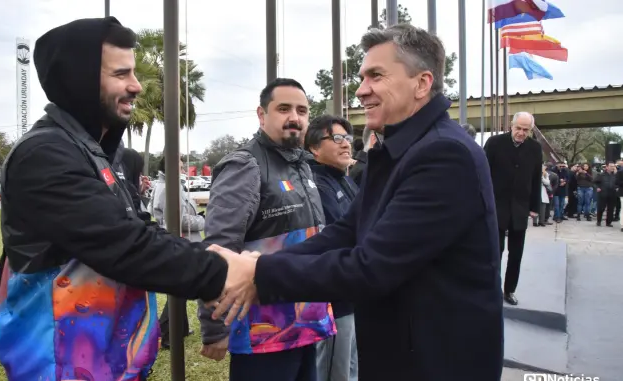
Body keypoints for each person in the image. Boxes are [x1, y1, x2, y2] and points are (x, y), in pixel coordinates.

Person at [210, 24, 503, 381]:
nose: (361, 90)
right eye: (363, 77)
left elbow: (371, 267)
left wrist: (260, 272)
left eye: (376, 76)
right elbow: (347, 231)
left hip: (436, 361)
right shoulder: (399, 149)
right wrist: (264, 266)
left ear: (422, 83)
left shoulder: (443, 154)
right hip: (402, 351)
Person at [0, 17, 232, 380]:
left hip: (108, 364)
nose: (136, 86)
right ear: (79, 79)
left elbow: (139, 228)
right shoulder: (44, 154)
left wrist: (206, 256)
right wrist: (225, 271)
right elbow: (126, 247)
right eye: (121, 74)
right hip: (61, 368)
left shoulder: (97, 153)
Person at [198, 78, 336, 381]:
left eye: (302, 110)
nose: (294, 118)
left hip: (306, 323)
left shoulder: (303, 165)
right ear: (262, 115)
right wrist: (214, 327)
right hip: (264, 334)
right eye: (283, 108)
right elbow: (220, 248)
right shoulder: (245, 165)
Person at [304, 115, 359, 381]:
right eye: (336, 138)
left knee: (350, 366)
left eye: (347, 138)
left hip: (354, 290)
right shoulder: (316, 184)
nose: (346, 144)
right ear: (314, 148)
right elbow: (342, 235)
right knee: (334, 370)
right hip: (334, 298)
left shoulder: (345, 179)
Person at [484, 111, 542, 306]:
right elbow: (482, 175)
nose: (521, 133)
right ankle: (492, 288)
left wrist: (534, 207)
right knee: (495, 251)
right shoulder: (494, 143)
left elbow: (535, 180)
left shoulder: (535, 149)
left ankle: (509, 290)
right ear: (511, 125)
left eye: (526, 130)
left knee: (516, 254)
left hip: (520, 207)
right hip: (496, 206)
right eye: (518, 128)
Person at [149, 155, 206, 347]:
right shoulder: (167, 188)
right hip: (180, 242)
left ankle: (179, 329)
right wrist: (202, 220)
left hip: (182, 242)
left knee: (182, 289)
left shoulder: (170, 185)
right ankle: (166, 334)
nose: (183, 170)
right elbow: (178, 219)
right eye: (180, 167)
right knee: (180, 291)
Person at [594, 162, 619, 227]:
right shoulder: (601, 175)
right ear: (607, 167)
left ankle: (608, 222)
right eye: (611, 166)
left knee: (611, 209)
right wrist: (597, 188)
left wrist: (617, 188)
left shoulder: (615, 175)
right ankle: (599, 221)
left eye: (613, 166)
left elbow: (617, 183)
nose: (612, 167)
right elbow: (595, 182)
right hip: (603, 194)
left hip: (612, 194)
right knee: (601, 208)